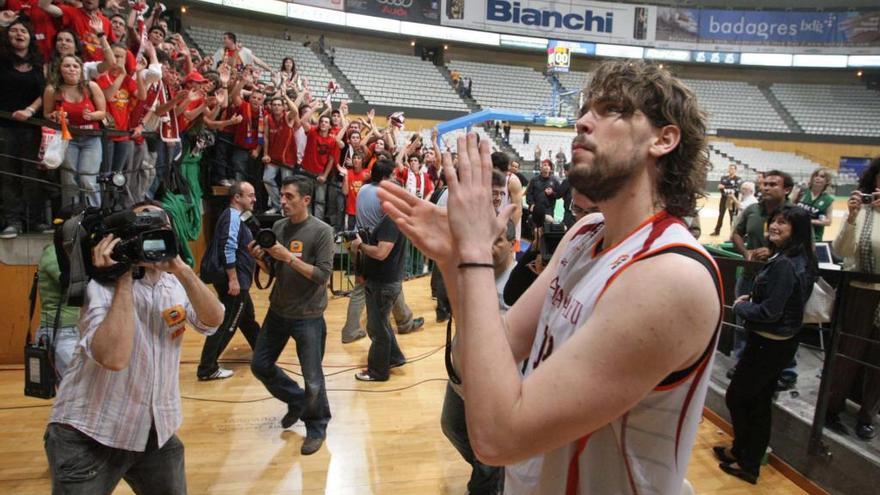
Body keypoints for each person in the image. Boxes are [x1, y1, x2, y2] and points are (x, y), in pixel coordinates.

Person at [379, 59, 721, 494]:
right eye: (585, 109)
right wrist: (453, 261)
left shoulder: (672, 276)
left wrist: (473, 258)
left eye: (610, 109)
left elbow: (497, 439)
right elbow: (479, 358)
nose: (581, 121)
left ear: (664, 138)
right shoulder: (584, 233)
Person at [44, 201, 224, 494]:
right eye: (143, 229)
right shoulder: (99, 286)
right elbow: (114, 358)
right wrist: (123, 275)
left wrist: (180, 267)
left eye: (161, 230)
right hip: (90, 435)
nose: (152, 238)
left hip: (154, 431)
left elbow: (213, 321)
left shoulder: (173, 283)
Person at [719, 206, 817, 484]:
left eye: (782, 223)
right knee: (759, 401)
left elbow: (769, 312)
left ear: (795, 229)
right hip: (780, 343)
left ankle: (747, 458)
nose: (774, 226)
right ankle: (745, 457)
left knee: (738, 397)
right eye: (774, 221)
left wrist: (742, 307)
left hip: (768, 343)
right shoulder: (798, 258)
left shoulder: (786, 263)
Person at [249, 176, 334, 455]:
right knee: (260, 365)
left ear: (306, 200)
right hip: (278, 310)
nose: (282, 201)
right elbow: (273, 270)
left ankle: (317, 424)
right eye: (282, 196)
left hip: (308, 315)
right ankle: (297, 400)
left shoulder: (322, 232)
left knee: (313, 377)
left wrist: (288, 257)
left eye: (289, 197)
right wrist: (260, 259)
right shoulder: (278, 226)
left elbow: (322, 276)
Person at [441, 220, 516, 495]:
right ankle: (495, 474)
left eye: (497, 241)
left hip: (493, 387)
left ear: (512, 244)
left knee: (486, 460)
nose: (489, 247)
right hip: (461, 377)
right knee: (451, 426)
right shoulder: (471, 272)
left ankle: (489, 481)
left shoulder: (520, 283)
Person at [351, 159, 422, 381]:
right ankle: (395, 357)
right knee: (380, 324)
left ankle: (378, 371)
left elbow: (382, 253)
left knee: (377, 329)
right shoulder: (392, 218)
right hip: (385, 279)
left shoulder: (391, 221)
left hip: (384, 281)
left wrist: (360, 245)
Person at [828, 157, 880, 441]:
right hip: (859, 291)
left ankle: (867, 416)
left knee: (877, 361)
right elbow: (841, 250)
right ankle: (831, 407)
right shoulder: (859, 213)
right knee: (849, 354)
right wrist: (850, 218)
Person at [197, 182, 261, 381]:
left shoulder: (235, 216)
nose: (254, 199)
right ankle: (207, 368)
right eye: (250, 195)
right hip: (234, 281)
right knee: (227, 324)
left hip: (238, 280)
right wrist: (233, 280)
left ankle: (262, 353)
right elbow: (228, 247)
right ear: (237, 197)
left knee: (247, 318)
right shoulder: (233, 216)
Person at [729, 170, 793, 367]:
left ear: (787, 189)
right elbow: (736, 235)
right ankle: (741, 361)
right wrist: (745, 253)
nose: (766, 187)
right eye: (765, 184)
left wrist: (773, 251)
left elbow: (804, 247)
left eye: (773, 184)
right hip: (750, 275)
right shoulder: (752, 210)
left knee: (776, 325)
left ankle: (784, 369)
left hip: (777, 280)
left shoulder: (794, 214)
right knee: (742, 321)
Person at [0, 19, 48, 238]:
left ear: (30, 37)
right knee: (8, 175)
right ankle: (12, 221)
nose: (18, 34)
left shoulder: (40, 64)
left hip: (32, 125)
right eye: (14, 31)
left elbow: (47, 92)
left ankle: (34, 219)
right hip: (4, 126)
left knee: (32, 175)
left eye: (23, 31)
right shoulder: (1, 60)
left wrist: (30, 110)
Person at [43, 53, 107, 208]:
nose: (71, 69)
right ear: (60, 69)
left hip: (91, 138)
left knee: (87, 178)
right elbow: (46, 114)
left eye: (75, 66)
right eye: (67, 66)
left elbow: (103, 112)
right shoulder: (53, 90)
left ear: (80, 69)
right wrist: (54, 115)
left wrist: (91, 116)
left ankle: (93, 216)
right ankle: (71, 216)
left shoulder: (90, 86)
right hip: (67, 139)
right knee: (69, 179)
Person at [795, 168, 834, 241]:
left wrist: (809, 221)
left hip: (814, 238)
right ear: (812, 178)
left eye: (822, 177)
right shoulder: (801, 192)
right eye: (816, 176)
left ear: (827, 181)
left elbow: (828, 222)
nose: (818, 178)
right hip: (795, 234)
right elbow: (788, 208)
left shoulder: (828, 199)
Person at [711, 164, 742, 236]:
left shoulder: (738, 179)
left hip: (733, 200)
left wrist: (725, 186)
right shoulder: (723, 178)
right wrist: (729, 188)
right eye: (730, 168)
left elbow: (736, 188)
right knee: (721, 215)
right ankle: (717, 231)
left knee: (733, 217)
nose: (731, 170)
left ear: (735, 170)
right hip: (724, 199)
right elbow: (720, 188)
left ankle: (733, 233)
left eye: (733, 169)